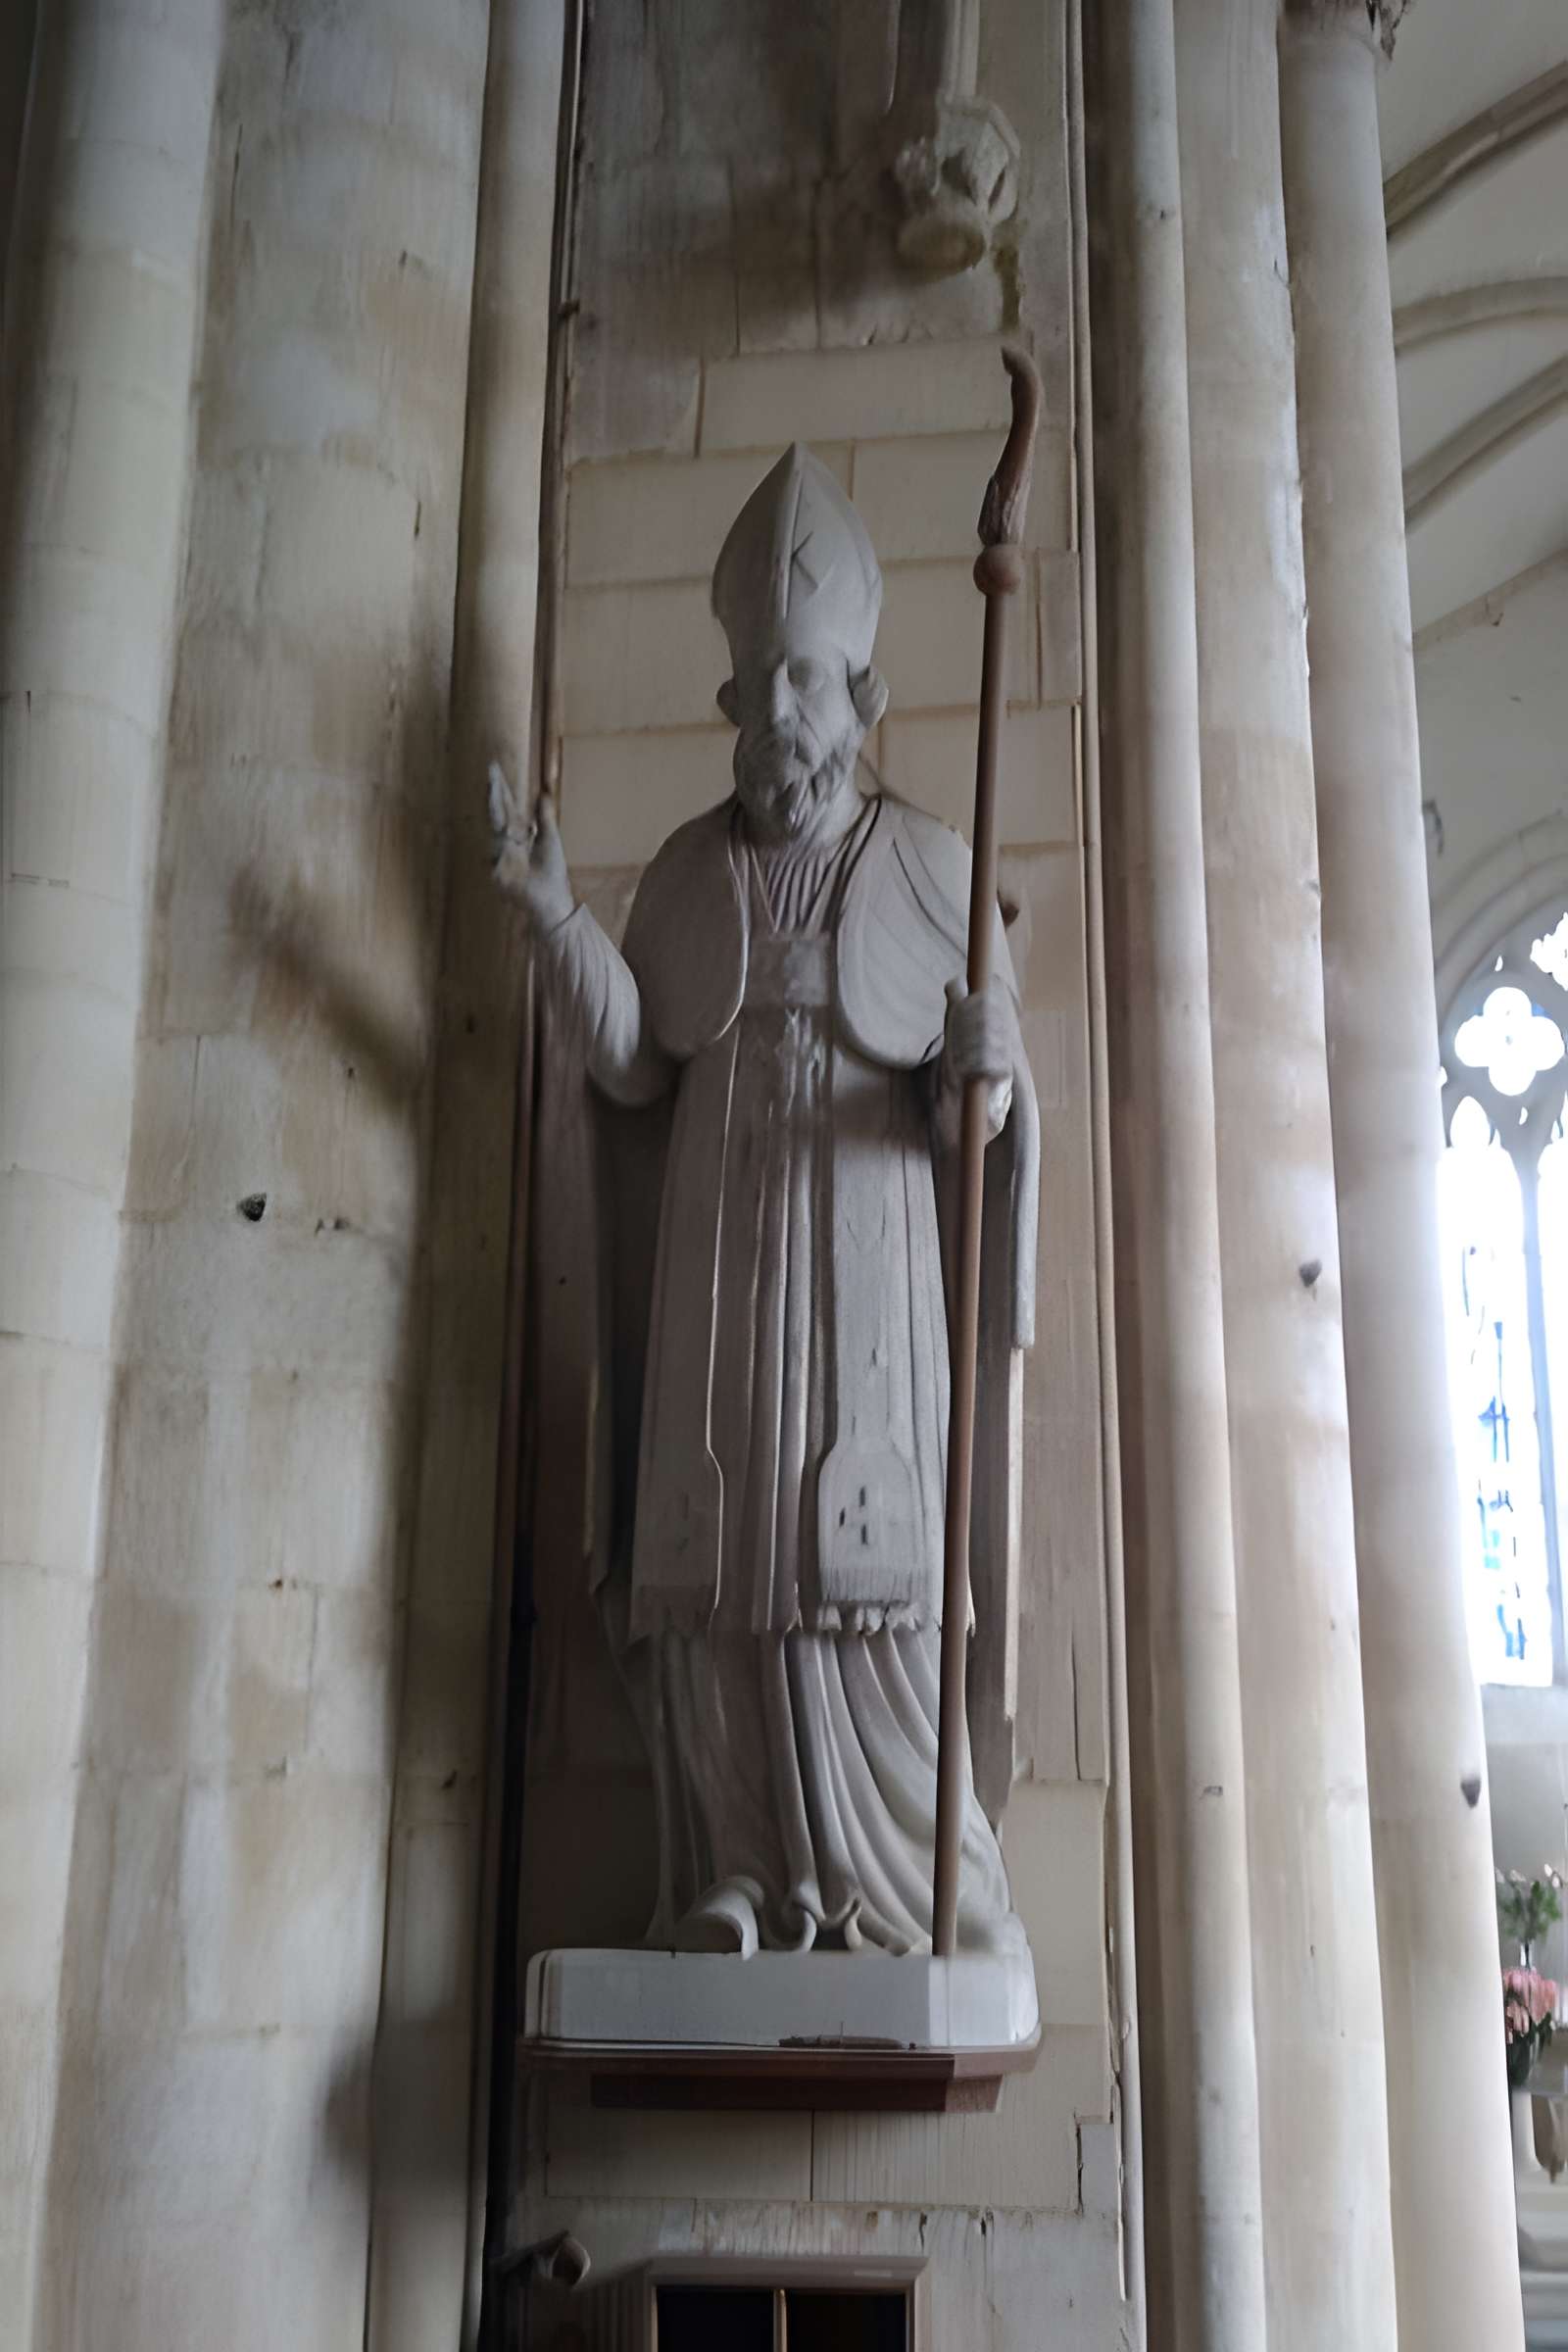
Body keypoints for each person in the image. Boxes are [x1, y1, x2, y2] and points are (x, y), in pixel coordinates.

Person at [490, 444, 1037, 1960]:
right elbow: (636, 1068)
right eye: (763, 686)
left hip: (869, 1286)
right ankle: (734, 1865)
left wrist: (988, 1071)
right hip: (722, 1275)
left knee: (860, 1577)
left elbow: (980, 1115)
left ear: (859, 701)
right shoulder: (682, 874)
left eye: (810, 682)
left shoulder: (934, 865)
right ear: (735, 704)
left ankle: (913, 1873)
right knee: (727, 1568)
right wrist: (554, 922)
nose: (783, 715)